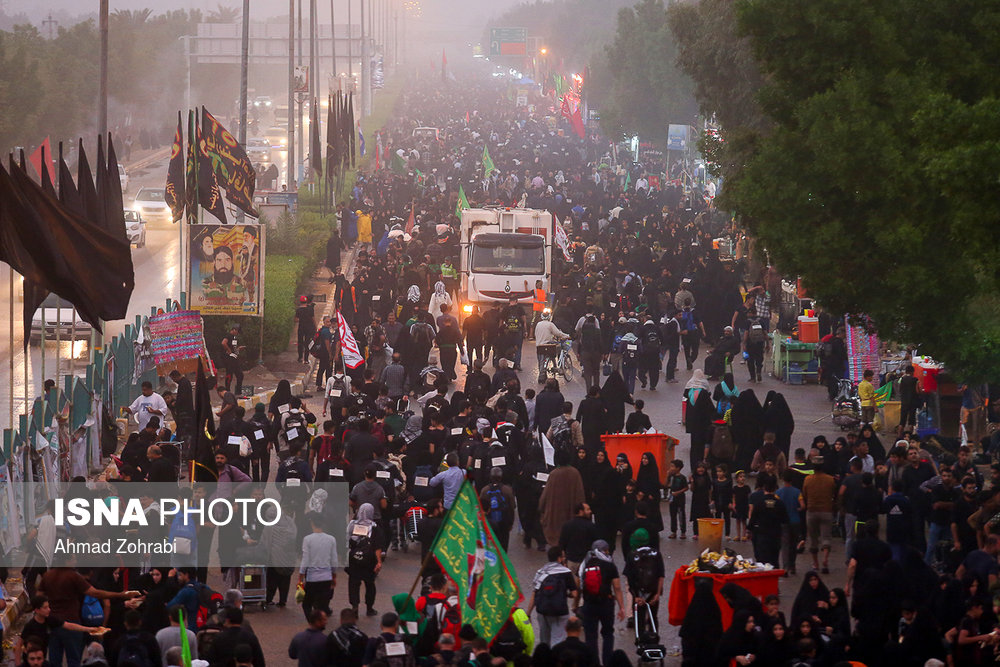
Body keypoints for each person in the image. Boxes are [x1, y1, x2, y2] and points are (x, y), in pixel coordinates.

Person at [38, 564, 140, 667]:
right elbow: (96, 594)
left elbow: (38, 598)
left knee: (54, 660)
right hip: (73, 621)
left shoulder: (48, 576)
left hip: (54, 622)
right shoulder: (73, 577)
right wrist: (121, 595)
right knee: (74, 660)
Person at [577, 540, 626, 666]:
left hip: (588, 604)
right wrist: (622, 607)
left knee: (591, 636)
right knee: (608, 633)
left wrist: (576, 605)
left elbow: (579, 587)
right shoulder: (609, 565)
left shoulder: (584, 565)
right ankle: (607, 661)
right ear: (605, 550)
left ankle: (594, 663)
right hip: (606, 603)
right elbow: (617, 587)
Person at [528, 546, 578, 646]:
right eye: (563, 556)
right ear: (559, 558)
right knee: (558, 640)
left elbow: (534, 593)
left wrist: (528, 613)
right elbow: (574, 593)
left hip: (542, 610)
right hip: (559, 611)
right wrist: (567, 594)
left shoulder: (541, 572)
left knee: (544, 641)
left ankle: (545, 659)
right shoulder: (566, 572)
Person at [539, 450, 586, 547]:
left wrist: (541, 509)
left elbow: (545, 495)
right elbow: (580, 495)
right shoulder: (575, 473)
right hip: (572, 514)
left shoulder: (554, 474)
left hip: (555, 515)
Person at [345, 503, 384, 618]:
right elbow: (377, 547)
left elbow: (347, 541)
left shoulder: (352, 525)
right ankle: (369, 608)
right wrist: (379, 562)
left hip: (354, 560)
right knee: (370, 584)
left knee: (353, 584)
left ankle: (355, 606)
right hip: (369, 561)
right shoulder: (374, 528)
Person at [298, 512, 338, 621]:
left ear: (312, 523)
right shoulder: (331, 539)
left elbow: (305, 559)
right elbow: (334, 560)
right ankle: (320, 621)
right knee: (322, 604)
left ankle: (312, 622)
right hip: (326, 576)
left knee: (306, 604)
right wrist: (334, 576)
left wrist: (301, 577)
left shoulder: (307, 539)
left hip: (312, 577)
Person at [801, 456, 836, 573]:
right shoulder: (830, 479)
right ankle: (825, 560)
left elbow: (804, 494)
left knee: (813, 539)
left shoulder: (808, 479)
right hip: (826, 511)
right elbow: (834, 494)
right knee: (826, 538)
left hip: (811, 511)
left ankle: (815, 563)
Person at [479, 467, 517, 550]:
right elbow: (512, 507)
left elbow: (481, 509)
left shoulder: (484, 490)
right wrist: (510, 523)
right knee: (503, 545)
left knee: (491, 545)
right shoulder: (507, 490)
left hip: (490, 523)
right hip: (504, 523)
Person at [534, 310, 569, 384]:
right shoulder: (550, 324)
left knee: (540, 361)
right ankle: (557, 364)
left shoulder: (538, 324)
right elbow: (558, 333)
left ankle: (542, 376)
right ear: (549, 317)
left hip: (539, 346)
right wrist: (567, 336)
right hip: (548, 345)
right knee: (558, 347)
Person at [296, 295, 316, 364]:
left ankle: (300, 357)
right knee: (307, 343)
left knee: (300, 343)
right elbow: (313, 319)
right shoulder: (310, 309)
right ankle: (306, 359)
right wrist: (315, 327)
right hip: (309, 328)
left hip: (301, 328)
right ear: (306, 301)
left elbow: (296, 319)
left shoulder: (298, 310)